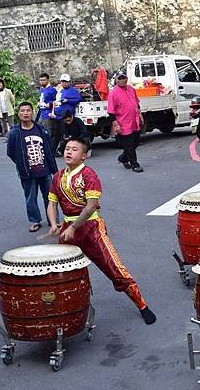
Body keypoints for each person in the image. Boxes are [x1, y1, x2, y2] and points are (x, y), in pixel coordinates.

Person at [46, 137, 156, 325]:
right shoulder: (58, 177)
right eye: (67, 149)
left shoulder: (89, 175)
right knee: (60, 272)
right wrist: (54, 223)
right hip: (68, 229)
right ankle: (64, 311)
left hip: (91, 228)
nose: (68, 152)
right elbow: (52, 203)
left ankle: (142, 305)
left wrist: (73, 227)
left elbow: (91, 207)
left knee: (115, 269)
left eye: (74, 149)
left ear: (84, 156)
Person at [7, 102, 57, 232]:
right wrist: (21, 163)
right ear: (18, 114)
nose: (25, 113)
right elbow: (11, 153)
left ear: (32, 112)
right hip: (28, 172)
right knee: (30, 197)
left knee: (50, 197)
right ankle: (35, 221)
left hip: (44, 170)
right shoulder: (15, 133)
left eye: (28, 110)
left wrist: (53, 169)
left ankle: (54, 221)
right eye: (22, 111)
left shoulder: (40, 129)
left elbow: (48, 149)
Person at [107, 70, 143, 173]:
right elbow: (110, 111)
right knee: (129, 144)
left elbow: (136, 102)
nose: (122, 80)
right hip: (123, 123)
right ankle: (135, 165)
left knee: (136, 142)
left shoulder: (131, 89)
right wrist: (115, 124)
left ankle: (123, 158)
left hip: (134, 121)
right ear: (116, 80)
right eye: (120, 78)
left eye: (124, 78)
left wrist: (140, 114)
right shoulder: (113, 93)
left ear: (126, 78)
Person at [50, 73, 82, 154]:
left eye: (66, 82)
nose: (64, 83)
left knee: (64, 135)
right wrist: (53, 112)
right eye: (63, 81)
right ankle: (52, 151)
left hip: (66, 117)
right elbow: (55, 101)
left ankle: (62, 150)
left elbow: (78, 99)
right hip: (57, 116)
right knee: (55, 134)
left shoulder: (73, 91)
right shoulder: (60, 90)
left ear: (69, 82)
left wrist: (68, 100)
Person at [38, 73, 58, 149]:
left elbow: (56, 100)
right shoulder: (41, 89)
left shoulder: (52, 90)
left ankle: (49, 148)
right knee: (40, 130)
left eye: (43, 80)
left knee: (48, 131)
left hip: (48, 113)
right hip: (41, 113)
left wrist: (49, 104)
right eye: (40, 80)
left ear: (48, 80)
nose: (42, 82)